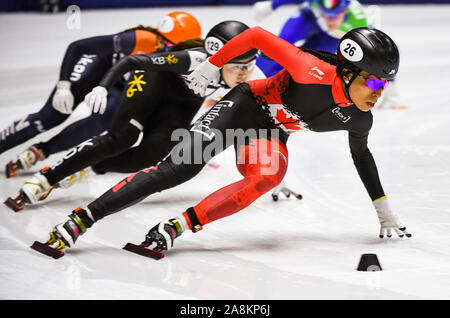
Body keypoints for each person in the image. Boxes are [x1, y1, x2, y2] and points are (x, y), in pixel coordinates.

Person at [30, 26, 412, 257]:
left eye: (386, 85)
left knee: (268, 176)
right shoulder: (309, 68)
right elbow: (258, 36)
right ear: (347, 72)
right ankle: (82, 219)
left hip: (269, 132)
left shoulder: (360, 116)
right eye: (375, 82)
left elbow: (361, 155)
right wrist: (214, 64)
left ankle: (176, 226)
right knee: (177, 169)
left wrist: (383, 209)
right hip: (243, 105)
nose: (380, 92)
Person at [6, 21, 264, 212]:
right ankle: (47, 177)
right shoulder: (194, 60)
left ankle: (92, 166)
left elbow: (259, 115)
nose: (244, 74)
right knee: (122, 138)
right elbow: (132, 62)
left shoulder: (251, 73)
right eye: (238, 67)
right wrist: (102, 87)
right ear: (216, 61)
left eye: (249, 66)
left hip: (182, 102)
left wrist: (261, 167)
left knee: (152, 154)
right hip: (153, 79)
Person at [1, 11, 202, 177]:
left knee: (107, 119)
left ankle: (43, 150)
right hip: (97, 71)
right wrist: (63, 85)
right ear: (159, 36)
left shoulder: (179, 58)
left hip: (118, 83)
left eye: (176, 49)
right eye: (168, 46)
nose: (171, 53)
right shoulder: (140, 38)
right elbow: (78, 47)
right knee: (51, 117)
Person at [252, 0, 405, 109]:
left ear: (345, 11)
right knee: (282, 45)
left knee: (307, 58)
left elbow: (383, 53)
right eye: (326, 15)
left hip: (333, 36)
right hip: (310, 18)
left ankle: (271, 84)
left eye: (334, 16)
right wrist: (270, 5)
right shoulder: (314, 6)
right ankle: (249, 75)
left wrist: (391, 92)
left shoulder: (359, 20)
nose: (329, 19)